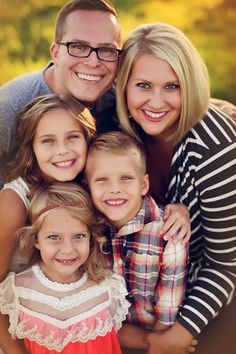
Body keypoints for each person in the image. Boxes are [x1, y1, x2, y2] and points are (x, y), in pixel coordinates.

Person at [115, 22, 236, 353]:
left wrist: (179, 334)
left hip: (199, 300)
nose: (156, 102)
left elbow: (226, 264)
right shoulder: (115, 130)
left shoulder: (215, 145)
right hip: (127, 305)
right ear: (123, 87)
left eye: (172, 86)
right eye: (143, 85)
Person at [0, 93, 95, 354]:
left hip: (71, 331)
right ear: (31, 148)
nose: (63, 150)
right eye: (48, 141)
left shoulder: (86, 188)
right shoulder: (15, 202)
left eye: (73, 137)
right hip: (18, 338)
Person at [85, 130, 191, 350]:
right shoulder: (88, 229)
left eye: (126, 178)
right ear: (88, 186)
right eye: (102, 179)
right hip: (108, 334)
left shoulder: (168, 232)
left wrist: (160, 344)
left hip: (158, 335)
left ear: (144, 185)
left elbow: (168, 311)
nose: (115, 189)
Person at [0, 0, 122, 187]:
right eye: (79, 47)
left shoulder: (121, 103)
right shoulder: (10, 105)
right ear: (55, 53)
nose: (93, 62)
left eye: (107, 50)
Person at [0, 181, 130, 354]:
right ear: (36, 240)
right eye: (54, 237)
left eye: (78, 236)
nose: (68, 249)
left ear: (90, 238)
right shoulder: (17, 291)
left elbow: (112, 338)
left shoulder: (108, 288)